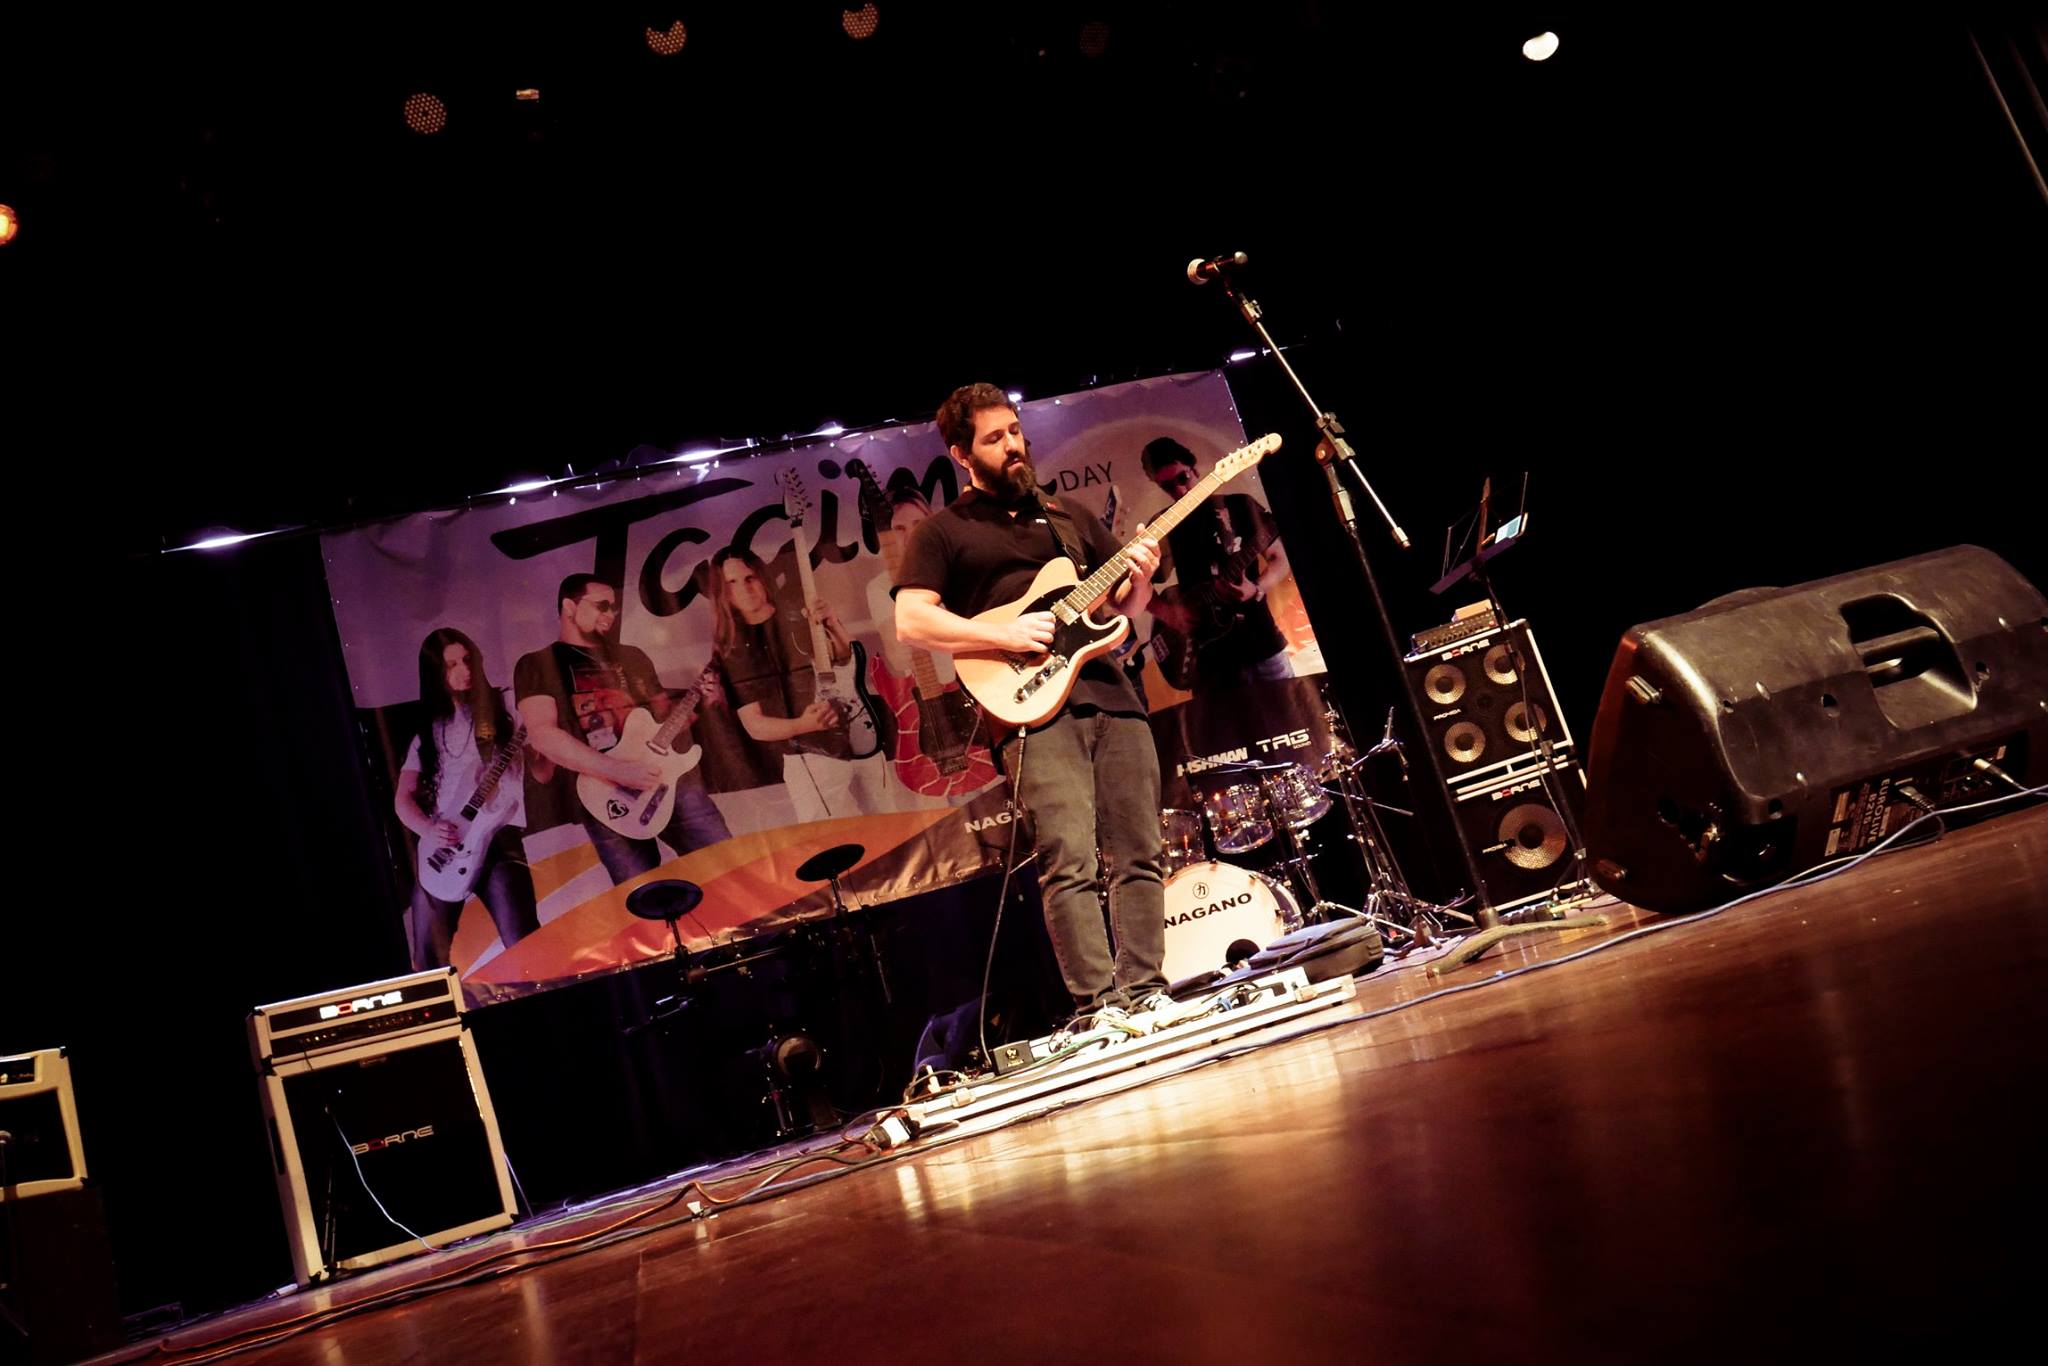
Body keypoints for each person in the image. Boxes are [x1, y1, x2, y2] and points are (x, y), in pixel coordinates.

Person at [894, 382, 1186, 1034]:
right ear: (962, 454)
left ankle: (1146, 992)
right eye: (994, 438)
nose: (1013, 446)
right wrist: (1003, 633)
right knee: (1069, 859)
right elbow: (911, 620)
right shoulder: (944, 531)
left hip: (1112, 695)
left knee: (1140, 851)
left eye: (1015, 431)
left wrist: (1141, 572)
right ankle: (1100, 1009)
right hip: (1030, 708)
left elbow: (1124, 609)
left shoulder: (1067, 515)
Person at [513, 574, 732, 882]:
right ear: (569, 607)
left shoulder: (632, 656)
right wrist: (618, 771)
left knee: (728, 867)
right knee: (643, 892)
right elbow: (542, 735)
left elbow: (666, 721)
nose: (610, 615)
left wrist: (704, 701)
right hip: (605, 795)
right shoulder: (537, 663)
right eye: (602, 606)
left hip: (668, 779)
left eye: (614, 608)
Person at [707, 546, 894, 821]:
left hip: (860, 730)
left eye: (749, 578)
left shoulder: (801, 612)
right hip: (811, 757)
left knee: (891, 822)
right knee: (832, 838)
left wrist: (833, 623)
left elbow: (850, 661)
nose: (744, 589)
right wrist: (804, 725)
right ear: (722, 592)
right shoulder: (732, 652)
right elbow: (754, 724)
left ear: (762, 576)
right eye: (731, 583)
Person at [395, 628, 544, 968]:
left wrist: (545, 748)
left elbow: (542, 773)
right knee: (426, 960)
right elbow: (402, 798)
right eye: (452, 665)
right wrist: (428, 829)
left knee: (527, 947)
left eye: (468, 660)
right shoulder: (428, 731)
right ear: (436, 673)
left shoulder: (509, 705)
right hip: (444, 845)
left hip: (500, 840)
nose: (464, 670)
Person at [1139, 436, 1295, 691]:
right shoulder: (1163, 526)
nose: (1179, 491)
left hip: (1262, 642)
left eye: (1182, 478)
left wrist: (1257, 588)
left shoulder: (1240, 504)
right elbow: (1137, 586)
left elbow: (1279, 559)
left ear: (1194, 470)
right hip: (1207, 662)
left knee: (1289, 711)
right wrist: (1169, 613)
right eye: (1167, 485)